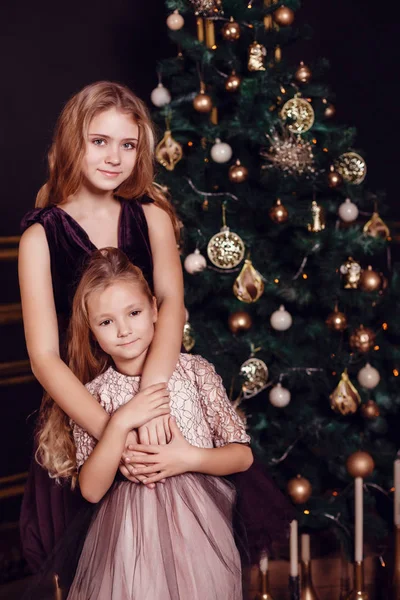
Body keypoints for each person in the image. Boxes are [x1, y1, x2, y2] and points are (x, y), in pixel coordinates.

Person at [18, 81, 186, 571]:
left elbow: (173, 302)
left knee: (173, 552)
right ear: (75, 141)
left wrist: (151, 399)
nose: (115, 157)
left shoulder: (150, 216)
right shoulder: (39, 236)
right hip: (84, 411)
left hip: (160, 395)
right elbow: (44, 357)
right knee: (103, 564)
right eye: (100, 141)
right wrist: (116, 430)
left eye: (128, 144)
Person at [37, 247, 253, 599]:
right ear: (92, 332)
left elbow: (242, 456)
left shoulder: (195, 372)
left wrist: (187, 459)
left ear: (155, 309)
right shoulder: (95, 394)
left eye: (134, 312)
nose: (124, 330)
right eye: (106, 322)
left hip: (199, 535)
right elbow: (91, 490)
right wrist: (120, 424)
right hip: (129, 546)